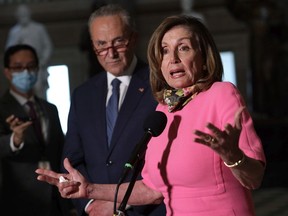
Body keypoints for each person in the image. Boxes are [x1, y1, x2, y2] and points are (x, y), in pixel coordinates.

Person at [36, 15, 266, 216]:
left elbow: (254, 178)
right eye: (165, 50)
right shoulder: (164, 110)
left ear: (204, 58)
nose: (172, 58)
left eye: (183, 48)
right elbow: (152, 189)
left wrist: (233, 156)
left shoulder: (221, 94)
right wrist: (90, 190)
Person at [59, 4, 165, 216]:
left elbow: (168, 162)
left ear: (133, 38)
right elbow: (72, 159)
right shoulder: (82, 95)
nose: (111, 53)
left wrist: (119, 202)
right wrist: (90, 205)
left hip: (147, 210)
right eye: (101, 44)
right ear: (93, 46)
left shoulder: (160, 86)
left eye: (118, 42)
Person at [0, 44, 75, 216]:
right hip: (18, 202)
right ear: (7, 72)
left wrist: (70, 201)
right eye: (18, 67)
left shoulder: (50, 109)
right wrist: (15, 139)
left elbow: (60, 153)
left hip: (55, 201)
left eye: (30, 66)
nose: (26, 72)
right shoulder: (2, 109)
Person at [6, 4, 53, 99]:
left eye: (25, 13)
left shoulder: (39, 28)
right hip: (19, 68)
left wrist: (43, 60)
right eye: (21, 14)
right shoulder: (14, 32)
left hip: (37, 65)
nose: (23, 15)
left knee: (39, 91)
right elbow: (8, 51)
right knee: (21, 92)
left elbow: (48, 46)